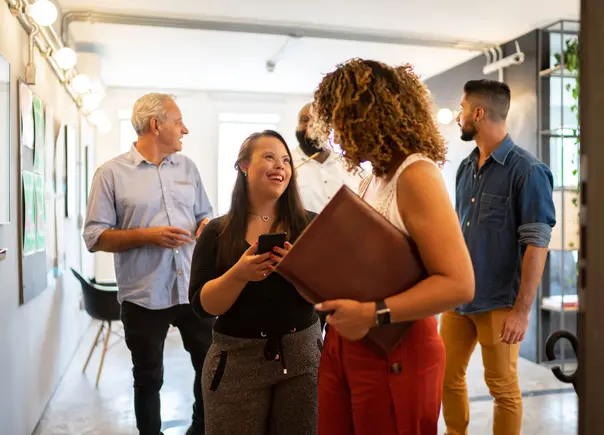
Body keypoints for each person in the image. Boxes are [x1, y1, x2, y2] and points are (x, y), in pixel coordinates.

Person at [307, 58, 475, 435]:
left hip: (395, 346)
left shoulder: (416, 175)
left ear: (369, 116)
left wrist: (371, 313)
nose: (337, 133)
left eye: (342, 120)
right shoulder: (372, 178)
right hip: (346, 341)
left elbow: (459, 284)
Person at [83, 93, 214, 435]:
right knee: (148, 378)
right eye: (178, 121)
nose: (185, 129)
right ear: (156, 125)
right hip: (143, 295)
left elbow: (205, 214)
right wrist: (148, 235)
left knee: (211, 367)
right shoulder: (110, 173)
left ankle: (198, 430)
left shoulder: (188, 168)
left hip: (191, 289)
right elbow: (95, 237)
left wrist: (204, 227)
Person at [441, 80, 556, 435]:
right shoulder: (464, 169)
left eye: (462, 109)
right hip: (459, 297)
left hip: (499, 302)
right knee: (446, 377)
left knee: (503, 389)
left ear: (478, 113)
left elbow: (537, 244)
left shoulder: (528, 171)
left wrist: (522, 312)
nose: (458, 116)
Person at [188, 130, 322, 435]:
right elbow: (203, 306)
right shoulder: (217, 232)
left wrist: (294, 271)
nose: (280, 167)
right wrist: (239, 274)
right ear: (244, 166)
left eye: (286, 160)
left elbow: (325, 296)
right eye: (270, 157)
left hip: (302, 360)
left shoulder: (310, 226)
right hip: (236, 362)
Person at [293, 103, 362, 213]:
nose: (310, 125)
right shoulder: (288, 166)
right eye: (304, 120)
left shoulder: (352, 166)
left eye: (317, 120)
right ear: (297, 126)